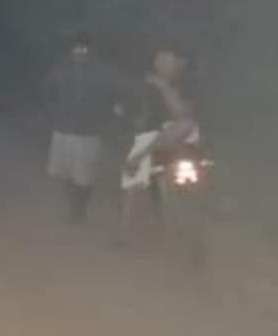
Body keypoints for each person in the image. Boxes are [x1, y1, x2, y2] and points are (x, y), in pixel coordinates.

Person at [43, 32, 127, 223]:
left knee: (84, 175)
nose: (80, 51)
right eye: (76, 48)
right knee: (65, 172)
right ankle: (73, 207)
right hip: (63, 128)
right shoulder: (62, 68)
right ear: (70, 49)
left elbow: (116, 91)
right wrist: (54, 111)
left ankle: (79, 208)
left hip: (88, 131)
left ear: (91, 50)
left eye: (83, 48)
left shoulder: (101, 71)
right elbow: (46, 89)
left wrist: (115, 108)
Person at [118, 46, 197, 241]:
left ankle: (178, 230)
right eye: (160, 62)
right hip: (151, 136)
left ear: (178, 63)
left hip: (179, 138)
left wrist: (164, 87)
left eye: (168, 62)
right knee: (132, 184)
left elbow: (182, 114)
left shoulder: (187, 83)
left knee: (185, 125)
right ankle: (123, 233)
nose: (163, 66)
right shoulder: (145, 84)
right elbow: (134, 113)